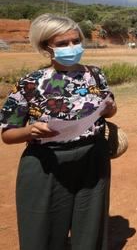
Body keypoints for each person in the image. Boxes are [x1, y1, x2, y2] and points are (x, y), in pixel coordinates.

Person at [0, 13, 117, 250]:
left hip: (92, 159)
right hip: (46, 165)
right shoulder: (30, 83)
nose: (72, 47)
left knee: (90, 228)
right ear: (47, 47)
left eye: (75, 41)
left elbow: (109, 111)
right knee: (43, 232)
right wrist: (31, 131)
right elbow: (7, 134)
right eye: (63, 44)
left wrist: (110, 109)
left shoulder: (95, 74)